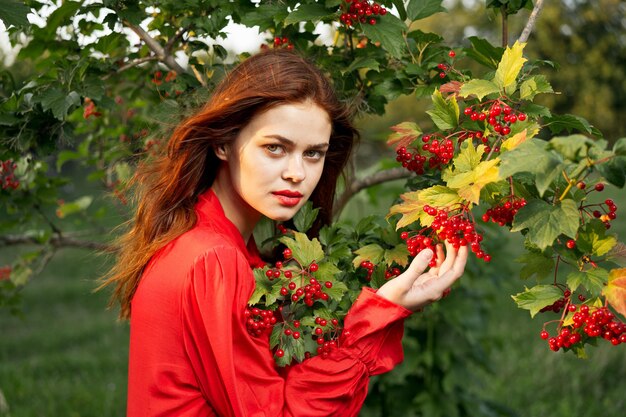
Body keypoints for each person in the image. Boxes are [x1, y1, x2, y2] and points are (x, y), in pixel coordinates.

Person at [101, 49, 468, 417]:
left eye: (313, 154)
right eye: (274, 148)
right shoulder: (212, 259)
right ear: (223, 143)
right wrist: (378, 316)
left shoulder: (205, 240)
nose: (297, 173)